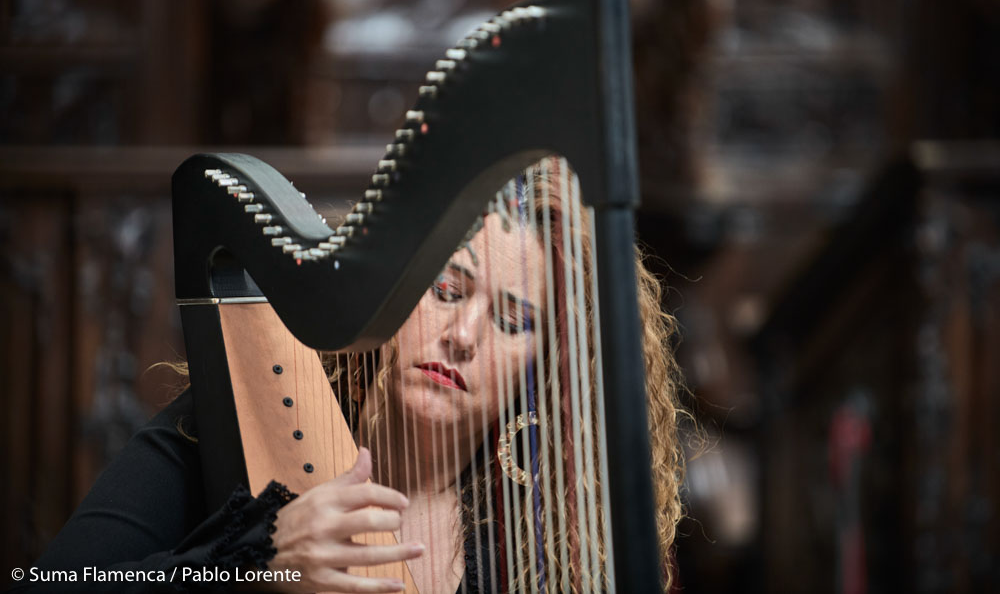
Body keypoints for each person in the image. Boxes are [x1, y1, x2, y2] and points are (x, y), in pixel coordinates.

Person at [18, 161, 687, 593]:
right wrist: (250, 566)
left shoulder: (549, 529)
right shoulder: (228, 419)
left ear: (546, 369)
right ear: (392, 289)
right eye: (449, 290)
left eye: (512, 321)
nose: (462, 336)